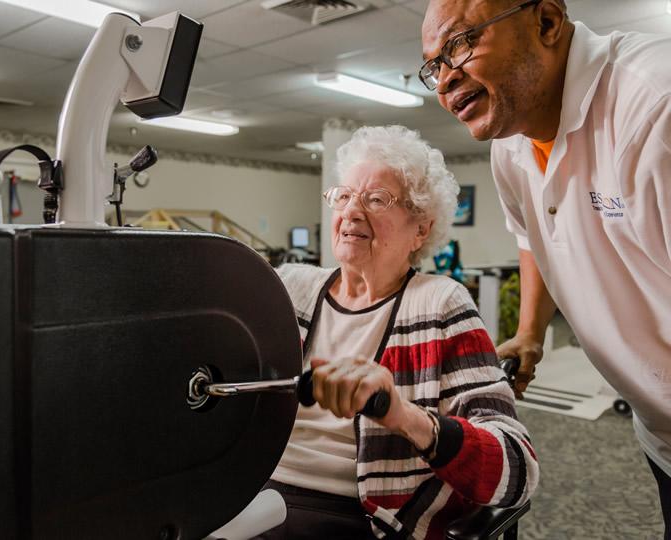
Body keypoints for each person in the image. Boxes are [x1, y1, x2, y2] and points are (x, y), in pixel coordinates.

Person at [419, 0, 671, 536]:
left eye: (460, 44)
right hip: (661, 430)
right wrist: (530, 333)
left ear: (548, 22)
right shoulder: (510, 146)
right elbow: (532, 234)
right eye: (433, 66)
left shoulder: (656, 108)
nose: (444, 82)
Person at [257, 125, 538, 539]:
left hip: (365, 516)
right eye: (345, 195)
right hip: (252, 486)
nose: (352, 211)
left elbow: (516, 469)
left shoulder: (441, 303)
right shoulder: (290, 287)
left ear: (420, 229)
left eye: (376, 199)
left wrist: (400, 414)